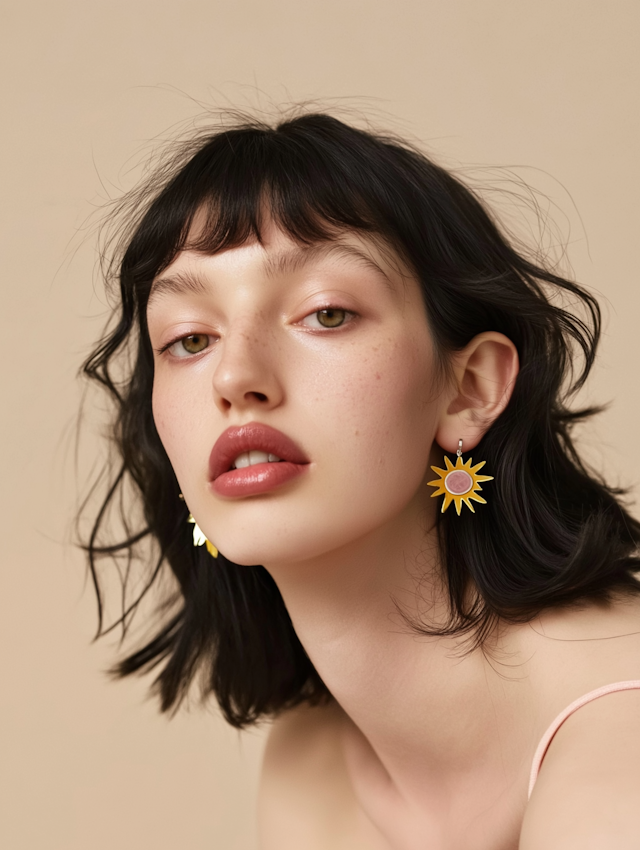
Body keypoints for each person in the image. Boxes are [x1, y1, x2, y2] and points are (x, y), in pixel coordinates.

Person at [82, 111, 640, 849]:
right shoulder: (312, 763)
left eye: (326, 313)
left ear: (469, 388)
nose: (236, 377)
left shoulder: (618, 748)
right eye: (189, 339)